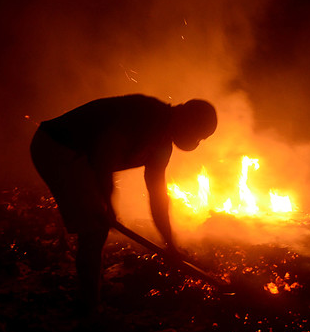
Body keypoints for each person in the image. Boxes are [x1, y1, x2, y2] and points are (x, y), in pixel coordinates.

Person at [30, 94, 217, 316]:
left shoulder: (163, 145)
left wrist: (170, 244)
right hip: (57, 147)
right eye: (198, 135)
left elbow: (157, 196)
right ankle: (90, 310)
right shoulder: (147, 113)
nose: (196, 141)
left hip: (81, 159)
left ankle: (90, 297)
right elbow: (104, 156)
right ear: (187, 119)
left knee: (95, 229)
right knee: (94, 230)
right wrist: (108, 205)